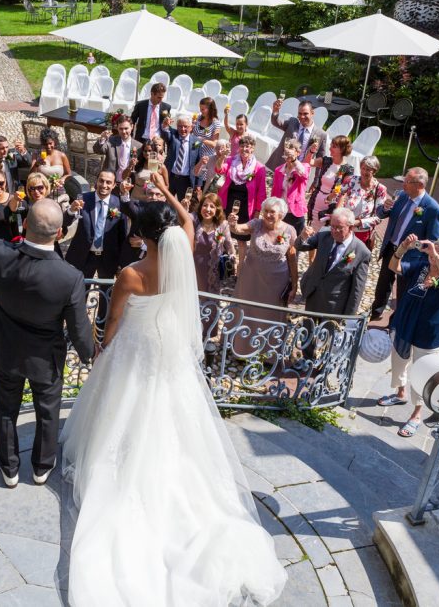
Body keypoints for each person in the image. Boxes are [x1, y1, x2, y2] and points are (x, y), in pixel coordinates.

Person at [60, 192, 287, 607]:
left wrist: (101, 348)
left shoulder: (131, 274)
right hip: (170, 351)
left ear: (143, 234)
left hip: (135, 349)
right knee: (172, 417)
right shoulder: (180, 253)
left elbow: (112, 321)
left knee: (124, 411)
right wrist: (166, 191)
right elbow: (185, 220)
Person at [0, 169, 93, 488]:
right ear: (59, 234)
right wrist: (90, 355)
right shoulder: (70, 277)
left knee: (6, 409)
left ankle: (9, 468)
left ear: (25, 225)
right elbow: (78, 327)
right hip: (46, 357)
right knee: (48, 411)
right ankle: (42, 467)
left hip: (6, 349)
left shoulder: (1, 256)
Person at [376, 235, 439, 438]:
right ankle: (400, 394)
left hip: (429, 332)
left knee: (423, 372)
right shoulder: (420, 266)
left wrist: (434, 255)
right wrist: (402, 248)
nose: (434, 255)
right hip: (406, 322)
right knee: (399, 361)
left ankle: (416, 414)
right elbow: (393, 267)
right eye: (434, 250)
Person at [370, 167, 439, 320]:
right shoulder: (402, 196)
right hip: (391, 248)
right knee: (383, 284)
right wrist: (384, 208)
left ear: (420, 186)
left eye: (407, 182)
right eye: (404, 180)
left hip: (410, 257)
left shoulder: (433, 209)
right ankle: (375, 313)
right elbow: (381, 214)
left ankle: (395, 321)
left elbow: (434, 242)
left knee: (403, 290)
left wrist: (413, 245)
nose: (403, 184)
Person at [229, 197, 298, 325]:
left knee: (269, 314)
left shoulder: (290, 230)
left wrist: (294, 284)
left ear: (281, 214)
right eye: (265, 211)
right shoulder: (257, 224)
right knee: (245, 309)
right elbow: (238, 229)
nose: (267, 214)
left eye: (272, 212)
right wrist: (233, 224)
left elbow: (292, 259)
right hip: (251, 278)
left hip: (276, 283)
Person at [295, 208, 371, 316]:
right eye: (332, 226)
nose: (334, 231)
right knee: (308, 328)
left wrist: (348, 317)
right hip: (313, 294)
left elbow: (357, 289)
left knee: (328, 332)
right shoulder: (324, 235)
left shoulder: (362, 252)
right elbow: (300, 246)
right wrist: (303, 236)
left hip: (334, 305)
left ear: (351, 227)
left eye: (339, 228)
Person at [63, 170, 128, 279]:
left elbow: (122, 236)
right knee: (80, 292)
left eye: (108, 182)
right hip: (83, 256)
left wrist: (121, 263)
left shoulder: (119, 204)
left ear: (113, 185)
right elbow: (65, 223)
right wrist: (71, 210)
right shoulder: (83, 199)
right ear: (96, 182)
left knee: (106, 292)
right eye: (101, 181)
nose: (104, 185)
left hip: (107, 258)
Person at [214, 134, 267, 268]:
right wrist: (221, 157)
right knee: (222, 234)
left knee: (241, 239)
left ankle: (240, 269)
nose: (244, 149)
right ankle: (221, 263)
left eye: (247, 146)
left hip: (245, 206)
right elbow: (219, 169)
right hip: (228, 202)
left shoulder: (259, 168)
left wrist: (257, 212)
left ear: (253, 148)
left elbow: (261, 192)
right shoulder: (231, 160)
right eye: (242, 146)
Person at [309, 135, 359, 229]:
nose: (330, 148)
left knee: (324, 232)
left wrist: (336, 213)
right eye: (331, 145)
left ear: (342, 149)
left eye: (334, 146)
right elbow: (308, 162)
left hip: (329, 205)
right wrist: (311, 151)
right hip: (316, 201)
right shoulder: (326, 161)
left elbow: (341, 192)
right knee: (311, 229)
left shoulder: (345, 168)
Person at [267, 99, 326, 175]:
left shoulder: (321, 134)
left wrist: (316, 182)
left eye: (305, 114)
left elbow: (320, 160)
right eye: (300, 113)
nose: (302, 116)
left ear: (312, 113)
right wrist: (275, 111)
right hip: (280, 166)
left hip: (299, 172)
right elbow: (276, 122)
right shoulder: (292, 122)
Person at [340, 156, 387, 250]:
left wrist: (358, 222)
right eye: (363, 168)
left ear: (374, 171)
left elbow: (379, 217)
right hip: (344, 229)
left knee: (356, 261)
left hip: (362, 234)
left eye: (368, 170)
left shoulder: (380, 189)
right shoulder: (352, 181)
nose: (364, 172)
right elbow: (338, 195)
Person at [192, 192, 235, 295]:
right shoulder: (195, 221)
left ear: (217, 210)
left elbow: (229, 245)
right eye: (205, 205)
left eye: (212, 207)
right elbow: (183, 218)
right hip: (194, 267)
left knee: (210, 296)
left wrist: (232, 259)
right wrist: (184, 208)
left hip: (213, 269)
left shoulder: (222, 225)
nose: (207, 209)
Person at [272, 138, 311, 237]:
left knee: (295, 241)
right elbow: (274, 191)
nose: (288, 151)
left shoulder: (304, 167)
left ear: (298, 153)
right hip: (281, 211)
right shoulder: (278, 170)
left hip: (295, 211)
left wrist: (293, 160)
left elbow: (304, 175)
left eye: (291, 149)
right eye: (286, 149)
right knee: (279, 238)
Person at [161, 113, 203, 200]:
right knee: (165, 203)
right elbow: (165, 133)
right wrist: (165, 125)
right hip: (170, 177)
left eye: (185, 126)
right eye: (180, 126)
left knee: (183, 206)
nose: (182, 129)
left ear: (191, 127)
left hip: (186, 180)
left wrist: (198, 184)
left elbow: (199, 163)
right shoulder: (173, 135)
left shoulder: (196, 142)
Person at [95, 115, 141, 188]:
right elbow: (98, 150)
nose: (123, 131)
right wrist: (102, 138)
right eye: (121, 129)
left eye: (126, 128)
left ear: (132, 127)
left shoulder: (138, 146)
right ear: (117, 128)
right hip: (109, 182)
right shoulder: (111, 140)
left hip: (127, 183)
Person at [130, 136, 170, 201]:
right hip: (136, 197)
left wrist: (159, 195)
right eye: (145, 151)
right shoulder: (138, 164)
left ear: (154, 152)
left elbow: (167, 185)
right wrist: (130, 166)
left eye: (150, 151)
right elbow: (125, 177)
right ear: (142, 152)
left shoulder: (161, 167)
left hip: (152, 199)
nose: (147, 153)